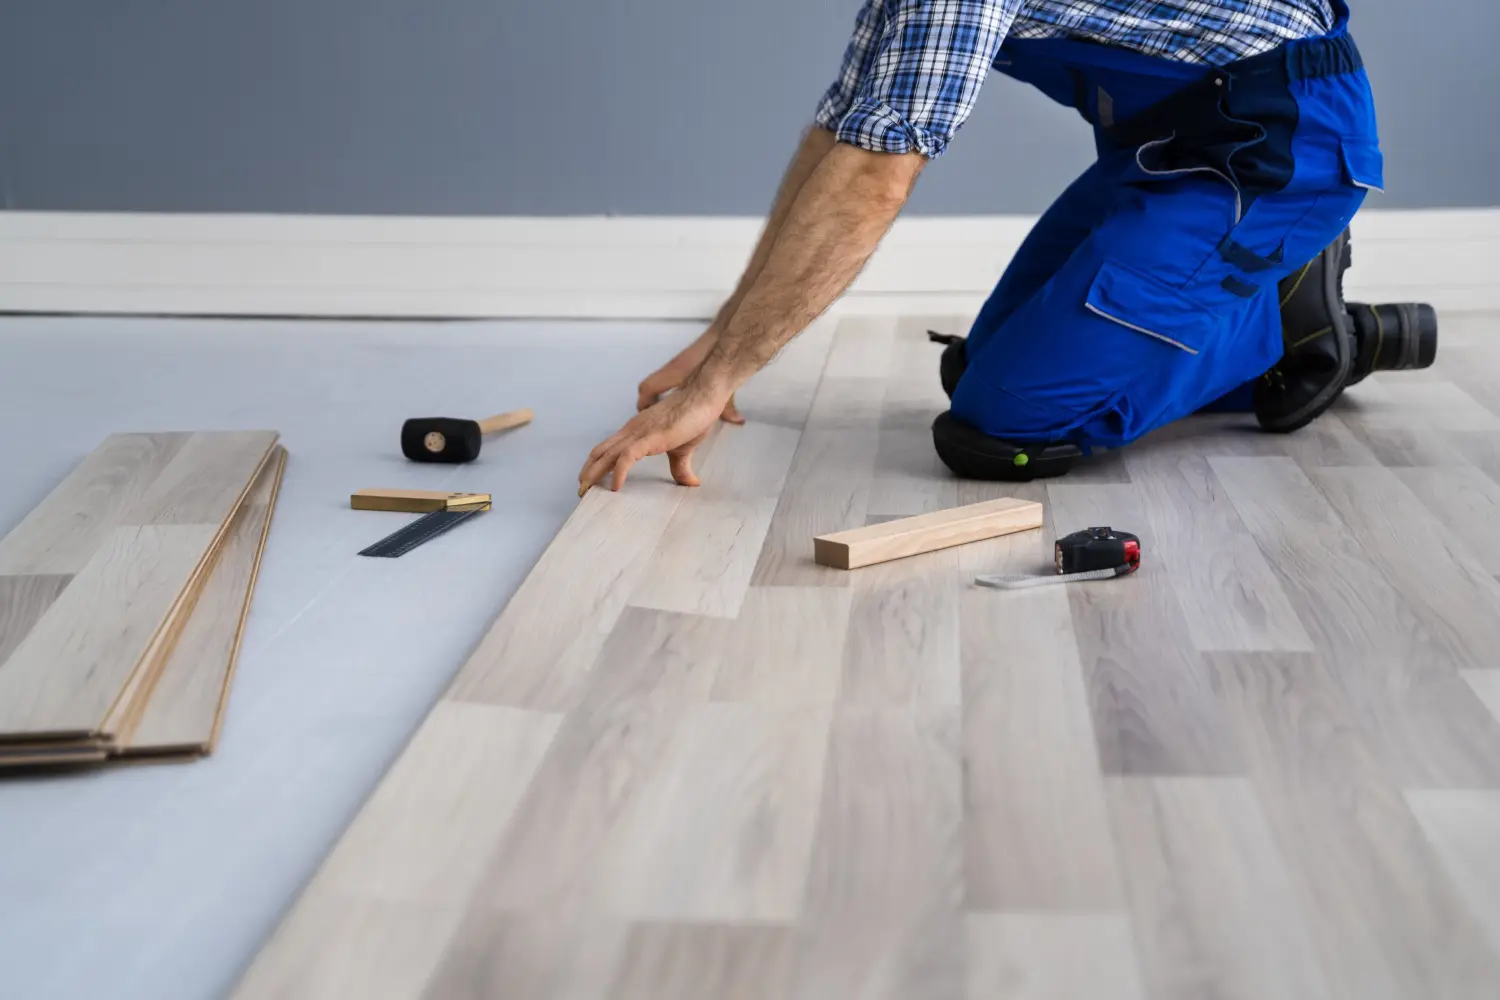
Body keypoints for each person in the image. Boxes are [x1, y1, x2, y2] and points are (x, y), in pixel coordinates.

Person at [578, 0, 1435, 494]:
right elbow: (844, 131)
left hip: (1276, 153)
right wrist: (722, 344)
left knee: (1003, 428)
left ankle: (1296, 325)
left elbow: (878, 172)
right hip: (1169, 148)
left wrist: (722, 378)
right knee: (976, 375)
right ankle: (1257, 291)